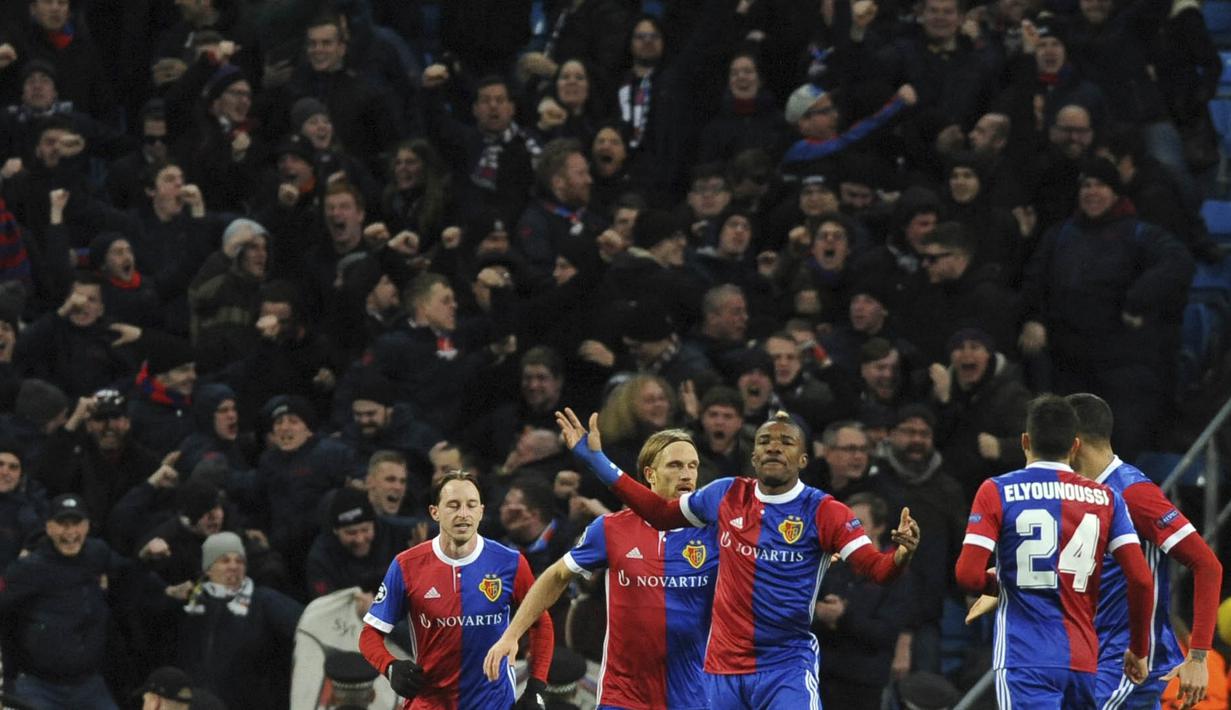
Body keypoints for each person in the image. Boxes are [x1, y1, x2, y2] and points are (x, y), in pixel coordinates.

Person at [556, 408, 919, 708]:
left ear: (803, 458)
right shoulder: (725, 495)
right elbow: (659, 512)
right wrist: (597, 461)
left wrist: (900, 555)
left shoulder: (826, 512)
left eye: (786, 442)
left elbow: (876, 569)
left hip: (785, 666)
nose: (774, 448)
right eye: (765, 441)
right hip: (720, 670)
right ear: (754, 456)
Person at [483, 429, 718, 709]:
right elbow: (557, 575)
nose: (687, 474)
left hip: (694, 694)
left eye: (692, 466)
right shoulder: (612, 529)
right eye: (675, 465)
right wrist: (512, 634)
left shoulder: (714, 533)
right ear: (650, 474)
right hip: (623, 696)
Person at [954, 395, 1154, 706]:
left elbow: (967, 576)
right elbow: (1142, 580)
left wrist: (1007, 581)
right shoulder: (1108, 498)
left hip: (1025, 658)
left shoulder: (996, 490)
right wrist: (1139, 649)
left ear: (1024, 441)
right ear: (1075, 446)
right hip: (1084, 659)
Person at [1067, 393, 1222, 709]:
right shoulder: (1078, 493)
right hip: (1091, 657)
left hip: (1127, 661)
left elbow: (1207, 564)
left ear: (1075, 442)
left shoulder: (1133, 492)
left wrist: (1198, 655)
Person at [359, 471, 554, 709]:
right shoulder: (407, 565)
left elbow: (541, 622)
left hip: (494, 703)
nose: (463, 514)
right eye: (453, 505)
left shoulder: (510, 563)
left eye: (471, 505)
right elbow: (370, 634)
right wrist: (390, 667)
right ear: (435, 512)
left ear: (481, 511)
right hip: (430, 703)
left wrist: (536, 687)